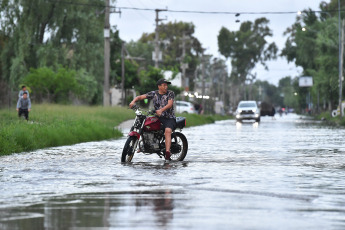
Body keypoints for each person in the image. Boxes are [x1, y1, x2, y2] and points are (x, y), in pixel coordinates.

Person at [129, 78, 175, 161]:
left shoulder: (170, 93)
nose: (166, 87)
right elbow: (140, 97)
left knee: (167, 130)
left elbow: (170, 104)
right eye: (164, 85)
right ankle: (145, 145)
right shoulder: (154, 93)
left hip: (169, 118)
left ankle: (167, 152)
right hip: (157, 117)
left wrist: (161, 110)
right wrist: (133, 102)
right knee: (145, 125)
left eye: (166, 85)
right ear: (159, 86)